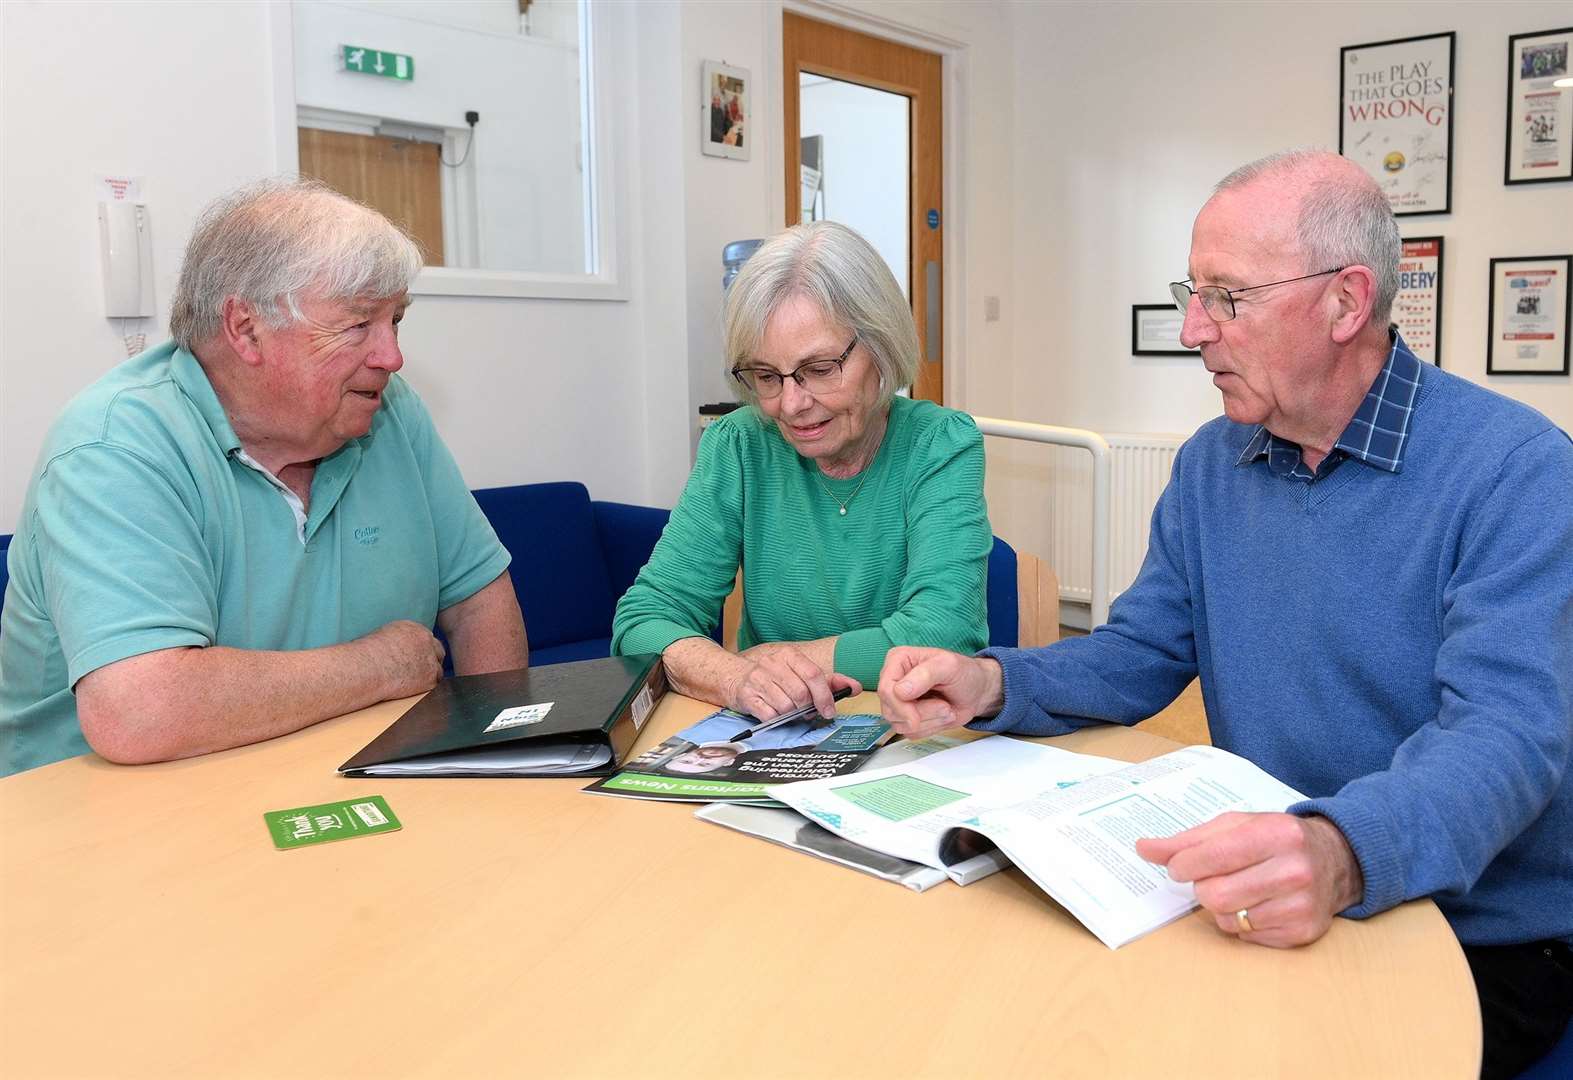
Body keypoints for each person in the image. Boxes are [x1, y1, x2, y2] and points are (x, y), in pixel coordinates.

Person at [877, 150, 1572, 1079]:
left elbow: (1504, 741)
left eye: (1227, 298)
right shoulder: (1214, 463)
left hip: (1473, 929)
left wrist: (1337, 850)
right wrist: (996, 679)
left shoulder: (1516, 471)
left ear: (1344, 301)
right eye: (1190, 291)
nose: (1190, 327)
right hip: (1258, 880)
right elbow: (1138, 654)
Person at [0, 178, 528, 776]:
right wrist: (381, 666)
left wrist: (506, 754)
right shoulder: (114, 445)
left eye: (396, 321)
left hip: (312, 778)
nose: (391, 356)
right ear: (246, 329)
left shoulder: (387, 408)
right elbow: (140, 711)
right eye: (359, 325)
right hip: (94, 823)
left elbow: (478, 599)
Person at [612, 220, 990, 722]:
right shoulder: (738, 445)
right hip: (777, 733)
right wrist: (734, 677)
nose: (791, 404)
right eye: (767, 376)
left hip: (913, 735)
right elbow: (644, 619)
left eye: (819, 369)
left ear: (880, 347)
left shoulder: (940, 444)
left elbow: (943, 633)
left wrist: (774, 663)